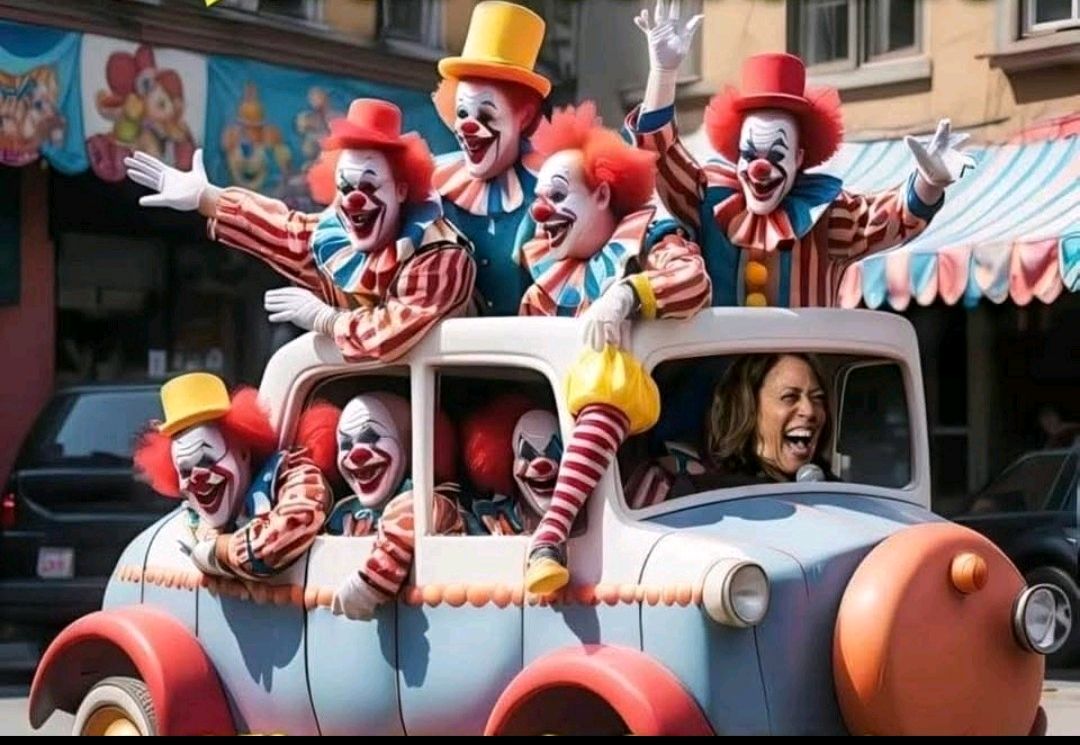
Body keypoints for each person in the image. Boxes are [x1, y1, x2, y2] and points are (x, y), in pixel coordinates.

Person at [625, 1, 975, 308]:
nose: (760, 168)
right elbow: (660, 155)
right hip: (716, 365)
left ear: (799, 158)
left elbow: (890, 216)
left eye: (777, 154)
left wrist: (928, 182)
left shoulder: (827, 215)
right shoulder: (710, 197)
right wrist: (663, 74)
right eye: (749, 154)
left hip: (803, 363)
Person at [512, 101, 711, 594]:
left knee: (609, 374)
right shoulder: (542, 291)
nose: (541, 211)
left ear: (602, 194)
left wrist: (628, 294)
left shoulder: (649, 241)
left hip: (657, 452)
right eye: (538, 198)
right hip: (564, 462)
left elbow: (693, 282)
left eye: (558, 195)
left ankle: (551, 535)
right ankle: (549, 531)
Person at [124, 99, 476, 363]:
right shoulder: (337, 242)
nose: (354, 200)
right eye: (345, 186)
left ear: (400, 190)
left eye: (370, 186)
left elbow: (391, 334)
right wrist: (206, 197)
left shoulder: (439, 256)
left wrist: (326, 320)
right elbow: (283, 230)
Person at [133, 372, 337, 581]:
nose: (196, 480)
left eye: (206, 461)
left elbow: (271, 545)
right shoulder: (192, 522)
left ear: (243, 452)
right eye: (185, 471)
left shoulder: (292, 473)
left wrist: (216, 551)